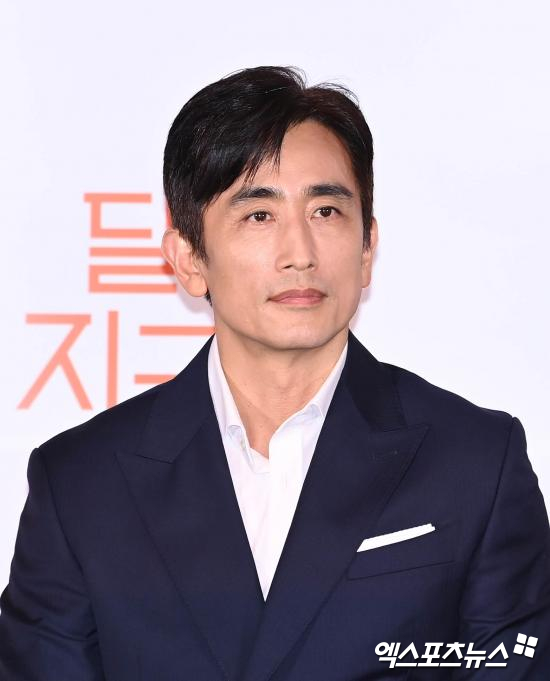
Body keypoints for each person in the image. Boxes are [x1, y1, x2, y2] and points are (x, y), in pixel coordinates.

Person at [1, 66, 549, 681]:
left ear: (367, 247)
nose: (300, 254)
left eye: (326, 211)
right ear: (189, 258)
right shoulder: (82, 484)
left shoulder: (476, 463)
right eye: (259, 215)